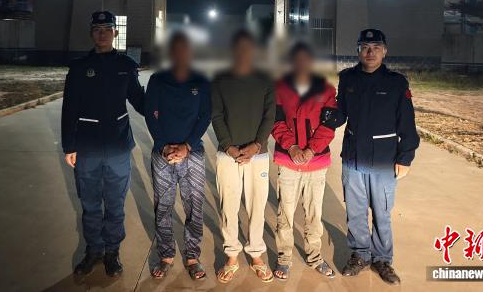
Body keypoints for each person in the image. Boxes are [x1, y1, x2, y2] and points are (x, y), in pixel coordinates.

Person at [326, 29, 420, 285]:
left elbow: (407, 123)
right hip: (354, 158)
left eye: (376, 47)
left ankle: (382, 259)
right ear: (358, 50)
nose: (370, 52)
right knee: (355, 211)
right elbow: (341, 114)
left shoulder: (396, 83)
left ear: (384, 51)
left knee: (382, 213)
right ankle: (360, 255)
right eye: (365, 47)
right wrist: (323, 114)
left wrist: (405, 156)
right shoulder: (348, 78)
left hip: (383, 160)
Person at [61, 11, 145, 278]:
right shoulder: (78, 67)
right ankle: (94, 250)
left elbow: (140, 101)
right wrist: (69, 145)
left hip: (118, 146)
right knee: (90, 204)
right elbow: (69, 108)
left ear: (115, 33)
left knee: (115, 203)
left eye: (107, 28)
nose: (102, 33)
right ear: (91, 34)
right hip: (87, 146)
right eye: (97, 29)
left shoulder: (126, 65)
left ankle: (112, 251)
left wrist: (163, 103)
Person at [143, 31, 211, 281]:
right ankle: (166, 254)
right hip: (162, 155)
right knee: (163, 206)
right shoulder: (158, 80)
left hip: (192, 154)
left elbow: (205, 115)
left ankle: (192, 256)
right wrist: (163, 146)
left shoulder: (201, 80)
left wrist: (187, 146)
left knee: (194, 206)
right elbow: (150, 114)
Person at [211, 29, 276, 283]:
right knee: (228, 206)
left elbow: (269, 116)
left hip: (257, 155)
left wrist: (257, 145)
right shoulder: (220, 79)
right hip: (228, 155)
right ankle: (231, 255)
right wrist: (229, 146)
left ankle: (256, 254)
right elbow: (216, 115)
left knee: (257, 207)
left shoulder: (265, 79)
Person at [271, 42, 338, 280]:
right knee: (285, 214)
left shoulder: (326, 90)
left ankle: (315, 257)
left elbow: (329, 125)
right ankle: (284, 258)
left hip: (315, 163)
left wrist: (311, 150)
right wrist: (292, 147)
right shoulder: (280, 88)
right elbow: (276, 121)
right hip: (288, 162)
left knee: (313, 214)